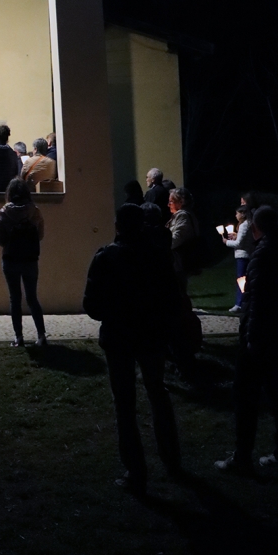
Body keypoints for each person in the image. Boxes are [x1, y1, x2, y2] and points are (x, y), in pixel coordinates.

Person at [83, 203, 182, 493]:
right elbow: (172, 296)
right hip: (151, 335)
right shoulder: (157, 255)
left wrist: (114, 311)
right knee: (157, 392)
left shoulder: (106, 257)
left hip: (119, 337)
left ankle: (135, 470)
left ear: (118, 226)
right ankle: (172, 459)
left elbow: (91, 304)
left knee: (125, 403)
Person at [215, 205, 278, 473]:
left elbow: (257, 302)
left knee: (246, 394)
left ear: (256, 227)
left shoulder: (263, 254)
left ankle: (242, 457)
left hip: (261, 336)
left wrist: (252, 336)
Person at [0, 177, 47, 347]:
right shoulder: (34, 211)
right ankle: (41, 335)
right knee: (32, 297)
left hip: (10, 258)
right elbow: (40, 235)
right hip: (30, 259)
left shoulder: (4, 212)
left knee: (15, 298)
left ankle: (19, 337)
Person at [166, 187, 202, 292]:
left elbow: (175, 240)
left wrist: (163, 244)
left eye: (171, 202)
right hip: (180, 261)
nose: (168, 205)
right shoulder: (183, 215)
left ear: (181, 202)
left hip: (180, 261)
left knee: (178, 290)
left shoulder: (183, 216)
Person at [223, 206, 256, 312]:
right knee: (244, 280)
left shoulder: (244, 225)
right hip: (246, 255)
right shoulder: (248, 224)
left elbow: (239, 243)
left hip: (243, 255)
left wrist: (227, 242)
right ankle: (244, 302)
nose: (236, 215)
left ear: (243, 214)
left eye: (237, 213)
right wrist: (236, 236)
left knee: (241, 280)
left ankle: (239, 303)